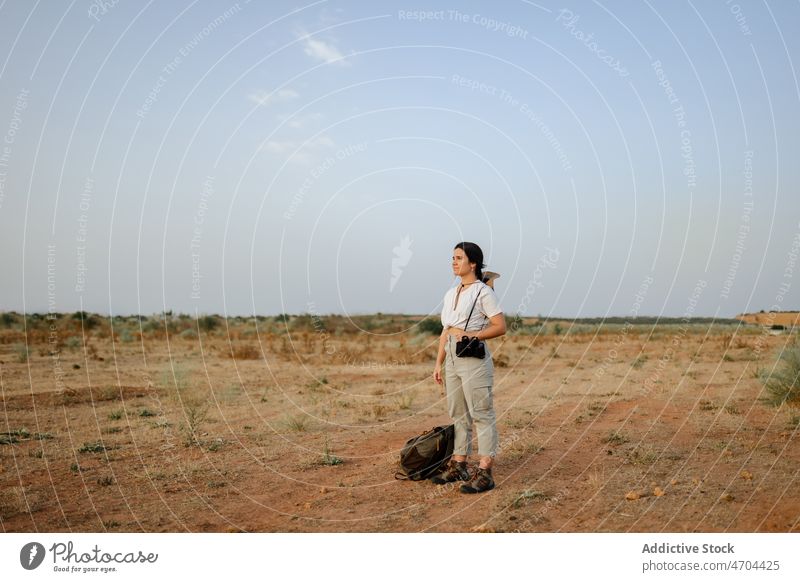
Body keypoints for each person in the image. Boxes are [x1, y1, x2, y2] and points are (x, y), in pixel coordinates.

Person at [432, 242, 506, 493]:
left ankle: (485, 472)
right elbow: (445, 330)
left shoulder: (484, 292)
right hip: (452, 355)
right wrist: (439, 362)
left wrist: (474, 334)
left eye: (459, 258)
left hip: (472, 355)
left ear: (472, 263)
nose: (453, 262)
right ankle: (459, 465)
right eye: (452, 257)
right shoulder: (451, 293)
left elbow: (500, 326)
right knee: (458, 413)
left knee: (482, 413)